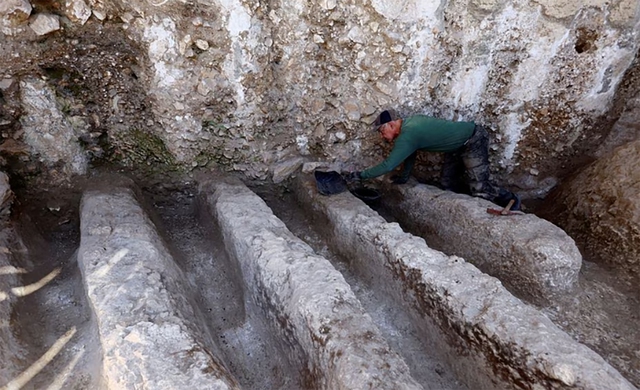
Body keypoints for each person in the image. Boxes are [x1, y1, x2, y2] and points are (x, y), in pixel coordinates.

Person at [344, 110, 521, 210]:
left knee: (480, 188)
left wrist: (359, 175)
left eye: (382, 132)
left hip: (472, 139)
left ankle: (511, 200)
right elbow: (410, 154)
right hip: (455, 146)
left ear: (391, 125)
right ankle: (459, 209)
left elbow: (388, 164)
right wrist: (404, 177)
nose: (382, 136)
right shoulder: (409, 126)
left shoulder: (408, 134)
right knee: (446, 182)